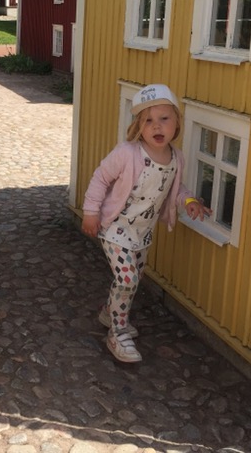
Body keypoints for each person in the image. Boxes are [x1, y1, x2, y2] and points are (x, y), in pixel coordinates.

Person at [81, 84, 210, 363]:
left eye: (164, 118)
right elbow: (101, 178)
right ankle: (117, 333)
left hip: (142, 233)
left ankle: (110, 313)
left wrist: (189, 200)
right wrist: (90, 212)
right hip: (115, 228)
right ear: (139, 126)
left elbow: (174, 187)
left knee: (132, 280)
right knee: (127, 279)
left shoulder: (176, 158)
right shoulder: (127, 153)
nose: (156, 126)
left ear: (177, 122)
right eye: (148, 120)